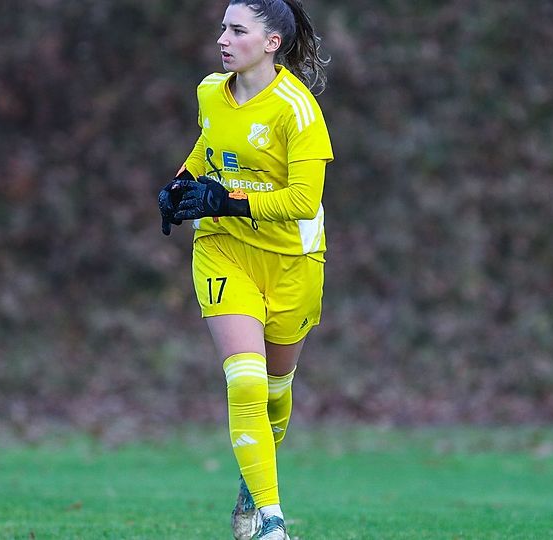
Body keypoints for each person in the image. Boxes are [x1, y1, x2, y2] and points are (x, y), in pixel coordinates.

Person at [158, 1, 332, 538]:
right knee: (246, 382)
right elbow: (209, 144)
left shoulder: (297, 110)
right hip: (223, 248)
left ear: (272, 42)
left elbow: (303, 200)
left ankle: (252, 486)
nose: (223, 40)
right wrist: (181, 183)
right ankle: (271, 523)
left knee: (275, 392)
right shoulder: (210, 91)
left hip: (292, 262)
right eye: (223, 29)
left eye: (237, 30)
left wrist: (230, 199)